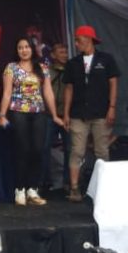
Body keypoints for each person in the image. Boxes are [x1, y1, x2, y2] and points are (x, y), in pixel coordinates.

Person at [0, 37, 64, 206]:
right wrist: (2, 114)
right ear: (17, 51)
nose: (24, 50)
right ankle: (20, 189)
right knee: (23, 150)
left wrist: (55, 115)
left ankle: (32, 189)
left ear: (32, 49)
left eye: (27, 47)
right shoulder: (11, 68)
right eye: (20, 47)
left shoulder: (42, 67)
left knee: (38, 150)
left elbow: (48, 92)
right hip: (18, 111)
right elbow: (7, 93)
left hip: (38, 112)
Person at [62, 26, 120, 203]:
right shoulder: (73, 63)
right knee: (77, 150)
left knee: (101, 150)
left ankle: (104, 186)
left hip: (101, 111)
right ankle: (74, 188)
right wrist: (66, 113)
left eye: (78, 40)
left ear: (88, 39)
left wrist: (112, 107)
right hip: (78, 113)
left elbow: (113, 84)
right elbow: (69, 89)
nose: (76, 44)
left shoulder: (106, 59)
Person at [47, 43, 69, 192]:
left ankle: (68, 182)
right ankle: (46, 181)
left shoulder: (71, 70)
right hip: (49, 114)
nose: (64, 55)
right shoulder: (47, 71)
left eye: (65, 52)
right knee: (44, 148)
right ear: (53, 55)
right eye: (60, 52)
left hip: (67, 114)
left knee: (70, 148)